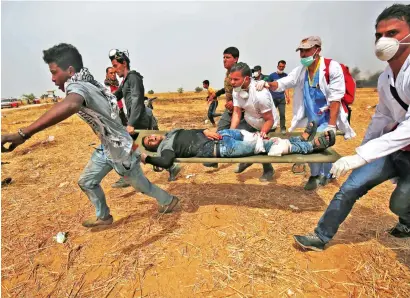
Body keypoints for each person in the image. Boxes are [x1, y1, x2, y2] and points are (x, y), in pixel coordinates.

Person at [1, 43, 180, 227]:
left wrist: (23, 134)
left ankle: (168, 200)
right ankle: (104, 217)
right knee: (87, 181)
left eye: (54, 72)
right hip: (108, 146)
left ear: (70, 70)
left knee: (142, 186)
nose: (53, 79)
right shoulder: (88, 83)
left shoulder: (80, 87)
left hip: (120, 149)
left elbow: (72, 104)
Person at [294, 3, 410, 251]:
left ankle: (406, 221)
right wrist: (364, 150)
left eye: (392, 33)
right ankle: (320, 236)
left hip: (403, 147)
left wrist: (361, 155)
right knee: (350, 187)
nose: (382, 41)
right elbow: (382, 116)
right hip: (393, 150)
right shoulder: (385, 78)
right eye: (379, 35)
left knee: (399, 204)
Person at [257, 36, 356, 189]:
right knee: (315, 145)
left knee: (316, 145)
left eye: (307, 50)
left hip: (328, 118)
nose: (303, 54)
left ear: (318, 50)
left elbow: (336, 98)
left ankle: (319, 175)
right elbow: (284, 82)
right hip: (312, 119)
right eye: (301, 51)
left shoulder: (332, 67)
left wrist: (331, 126)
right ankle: (319, 174)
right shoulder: (301, 71)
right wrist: (267, 84)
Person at [109, 49, 181, 186]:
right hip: (136, 119)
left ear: (124, 63)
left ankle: (128, 176)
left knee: (132, 147)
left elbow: (137, 100)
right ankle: (170, 167)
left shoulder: (133, 77)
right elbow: (115, 96)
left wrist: (131, 123)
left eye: (116, 65)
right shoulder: (125, 81)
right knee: (138, 148)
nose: (114, 69)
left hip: (139, 119)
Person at [140, 122, 335, 168]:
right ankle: (310, 146)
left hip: (222, 134)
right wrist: (146, 158)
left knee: (262, 140)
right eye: (149, 142)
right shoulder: (164, 149)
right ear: (151, 147)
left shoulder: (171, 132)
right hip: (221, 148)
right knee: (266, 146)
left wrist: (204, 131)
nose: (152, 139)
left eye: (151, 137)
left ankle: (300, 140)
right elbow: (165, 162)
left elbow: (192, 130)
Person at [230, 62, 279, 182]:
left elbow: (269, 119)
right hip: (250, 119)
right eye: (231, 79)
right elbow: (237, 113)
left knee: (260, 145)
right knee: (240, 138)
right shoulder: (236, 90)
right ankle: (246, 160)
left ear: (246, 79)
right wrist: (230, 132)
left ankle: (268, 170)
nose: (232, 82)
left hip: (267, 122)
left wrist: (262, 133)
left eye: (236, 79)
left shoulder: (260, 94)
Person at [203, 47, 239, 169]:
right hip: (230, 111)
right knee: (219, 133)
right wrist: (216, 94)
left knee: (251, 137)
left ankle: (267, 167)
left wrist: (234, 101)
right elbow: (227, 89)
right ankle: (215, 159)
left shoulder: (240, 72)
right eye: (223, 57)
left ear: (236, 59)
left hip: (244, 111)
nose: (224, 60)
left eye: (227, 57)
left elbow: (247, 90)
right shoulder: (228, 73)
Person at [267, 60, 291, 134]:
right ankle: (270, 128)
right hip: (273, 98)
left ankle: (283, 129)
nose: (281, 68)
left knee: (282, 114)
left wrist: (287, 96)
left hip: (281, 98)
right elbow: (268, 85)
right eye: (280, 66)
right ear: (277, 66)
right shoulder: (271, 76)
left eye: (283, 67)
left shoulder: (286, 76)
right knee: (271, 114)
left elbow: (286, 87)